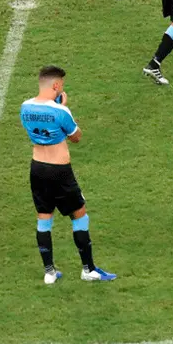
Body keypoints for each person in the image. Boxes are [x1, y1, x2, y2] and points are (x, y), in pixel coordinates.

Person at [20, 66, 116, 283]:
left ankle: (49, 272)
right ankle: (88, 269)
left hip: (37, 168)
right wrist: (63, 107)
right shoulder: (61, 112)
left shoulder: (25, 107)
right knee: (79, 214)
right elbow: (76, 137)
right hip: (59, 171)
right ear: (55, 85)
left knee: (44, 218)